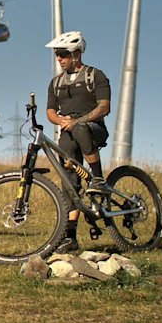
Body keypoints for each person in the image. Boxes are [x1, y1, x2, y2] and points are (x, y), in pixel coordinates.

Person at [45, 31, 111, 253]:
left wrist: (77, 121)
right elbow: (50, 112)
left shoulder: (95, 75)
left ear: (76, 54)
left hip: (93, 129)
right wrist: (62, 121)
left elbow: (104, 107)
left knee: (81, 129)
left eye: (63, 54)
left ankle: (98, 178)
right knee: (69, 182)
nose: (59, 58)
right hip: (68, 133)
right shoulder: (56, 83)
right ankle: (70, 237)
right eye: (57, 54)